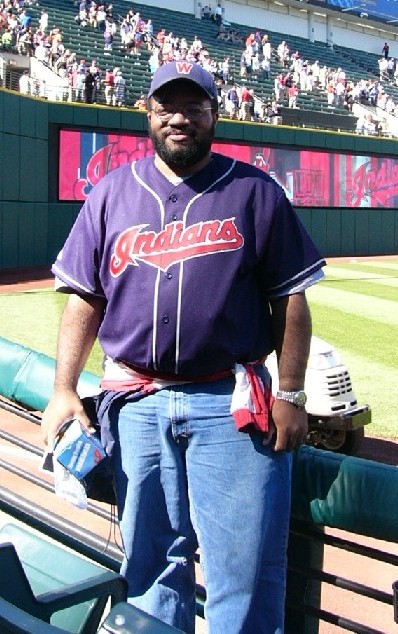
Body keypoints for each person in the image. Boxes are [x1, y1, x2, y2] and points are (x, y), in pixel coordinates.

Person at [41, 61, 325, 634]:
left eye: (194, 108)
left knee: (243, 570)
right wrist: (63, 388)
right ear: (148, 115)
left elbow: (290, 299)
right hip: (137, 406)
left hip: (228, 404)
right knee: (148, 566)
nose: (180, 118)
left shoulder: (254, 191)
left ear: (213, 116)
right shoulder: (111, 194)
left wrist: (290, 393)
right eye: (167, 107)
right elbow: (83, 297)